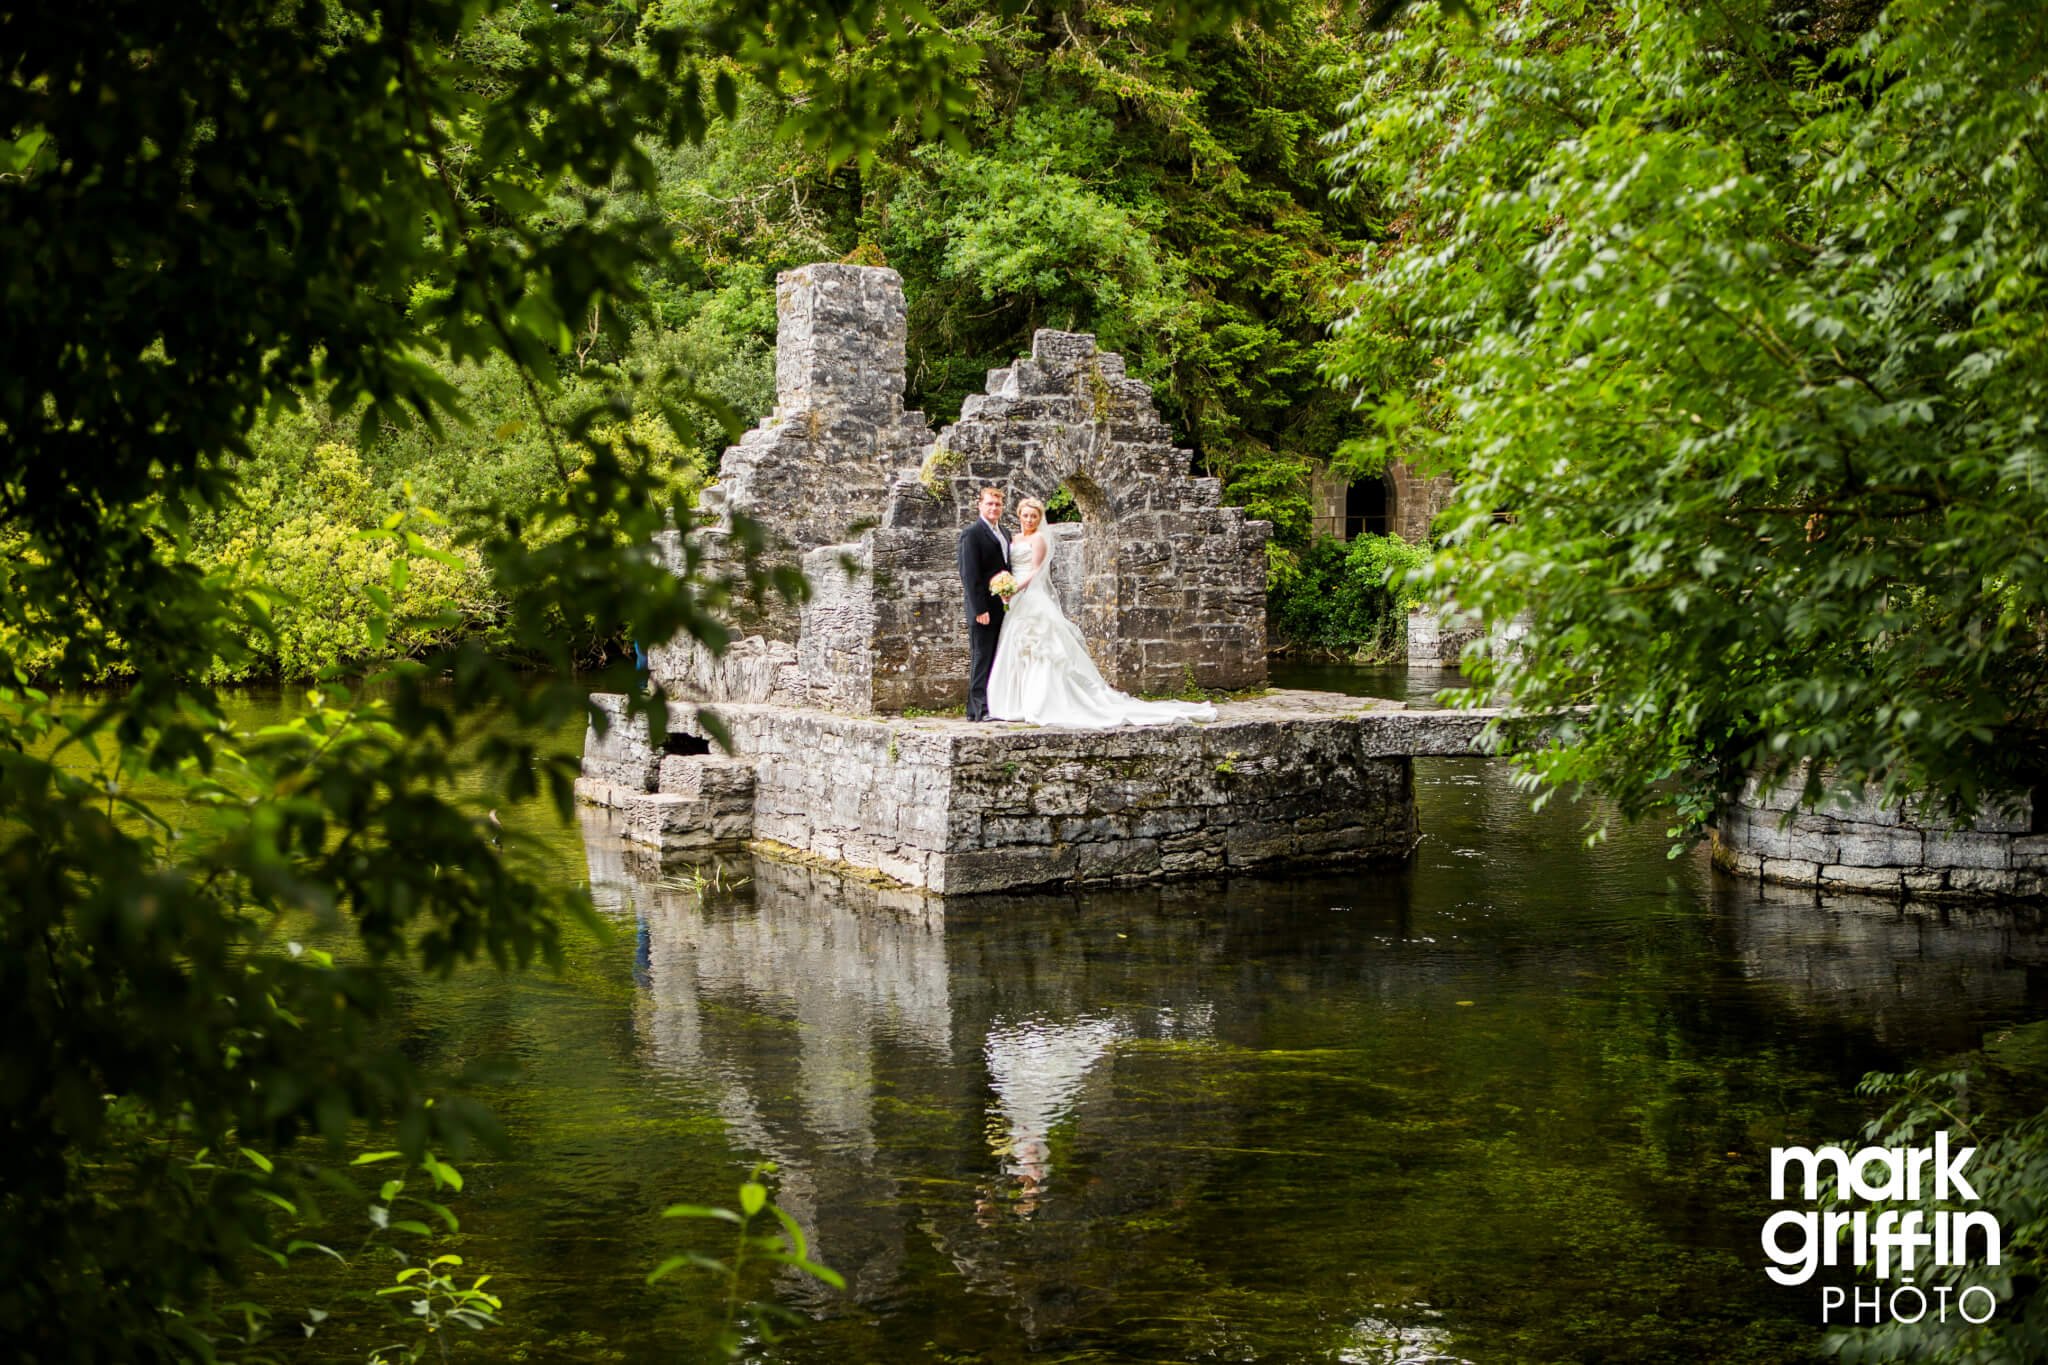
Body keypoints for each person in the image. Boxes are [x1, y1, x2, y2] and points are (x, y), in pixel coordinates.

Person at [986, 497, 1216, 728]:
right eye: (1025, 515)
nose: (1029, 520)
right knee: (1017, 649)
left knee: (1041, 650)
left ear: (1040, 518)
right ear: (1019, 515)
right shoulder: (1014, 538)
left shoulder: (1039, 539)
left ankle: (1041, 702)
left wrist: (1016, 587)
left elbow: (1035, 571)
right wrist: (1005, 586)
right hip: (1016, 601)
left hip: (1032, 597)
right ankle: (1017, 702)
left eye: (1034, 516)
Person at [957, 485, 1010, 721]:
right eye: (989, 503)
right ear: (980, 505)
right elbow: (969, 574)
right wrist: (979, 609)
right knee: (981, 656)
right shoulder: (972, 533)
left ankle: (976, 710)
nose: (994, 508)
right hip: (983, 608)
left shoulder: (1005, 533)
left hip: (1002, 606)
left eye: (998, 504)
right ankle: (980, 708)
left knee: (995, 656)